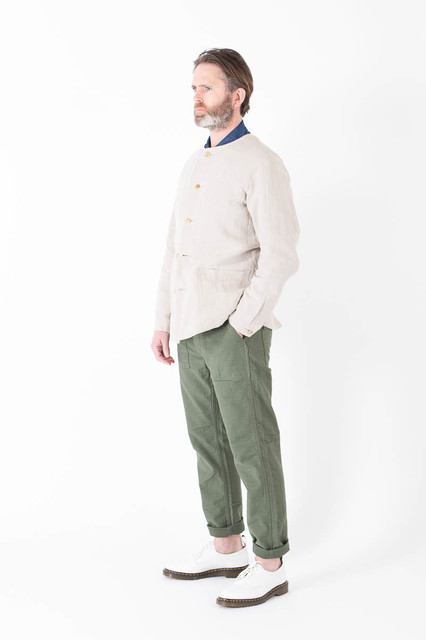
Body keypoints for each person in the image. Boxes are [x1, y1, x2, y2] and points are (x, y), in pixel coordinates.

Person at [151, 48, 300, 608]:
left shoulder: (261, 163)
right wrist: (163, 321)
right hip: (189, 327)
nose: (196, 97)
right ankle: (226, 546)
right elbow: (174, 250)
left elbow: (280, 254)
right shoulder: (193, 164)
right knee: (207, 442)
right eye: (193, 87)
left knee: (252, 443)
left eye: (207, 87)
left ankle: (270, 562)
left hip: (234, 327)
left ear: (237, 96)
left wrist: (242, 322)